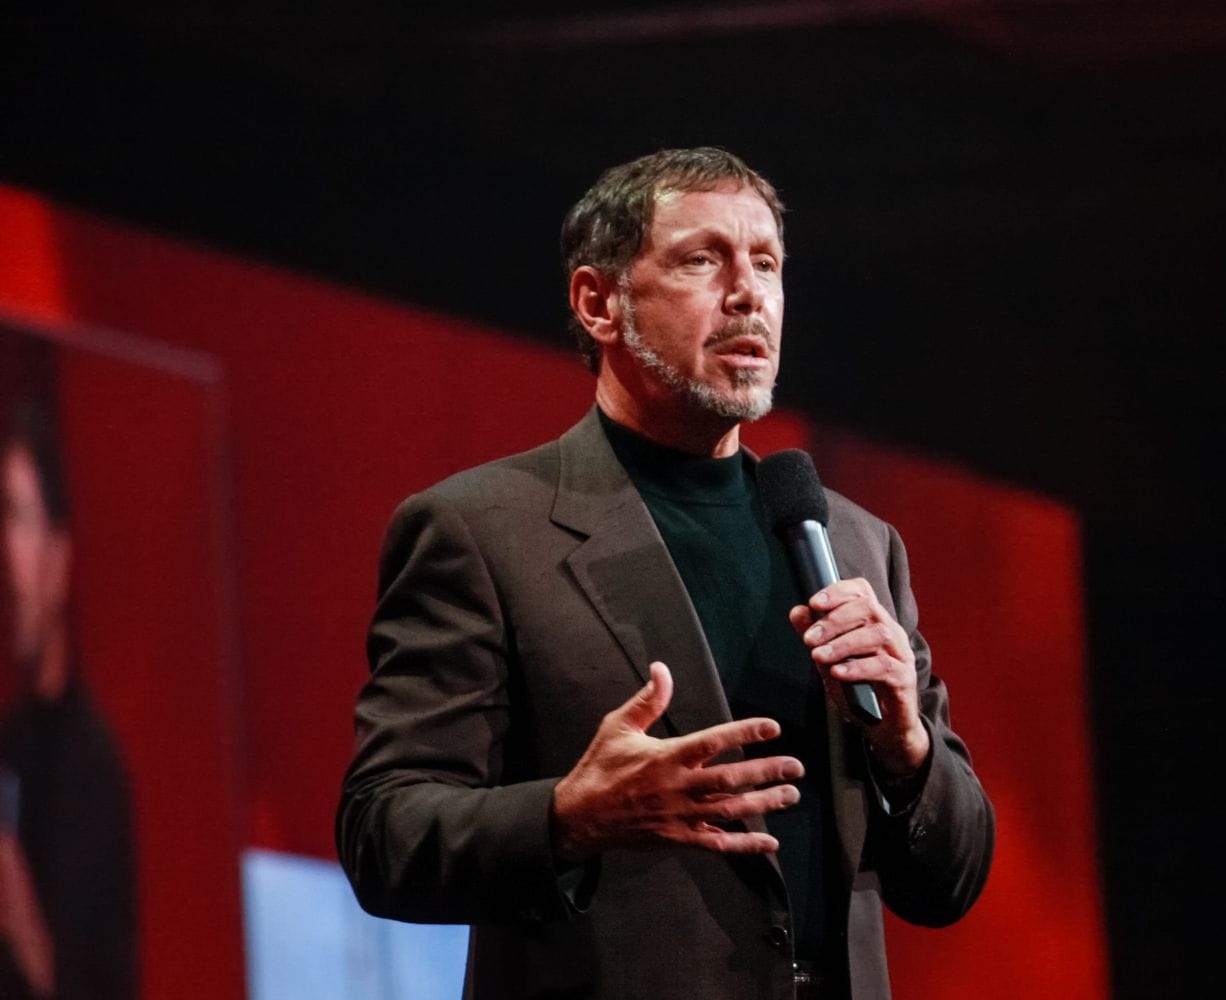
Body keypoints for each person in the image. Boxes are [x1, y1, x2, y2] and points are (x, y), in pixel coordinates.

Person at [337, 148, 994, 1000]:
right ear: (598, 303)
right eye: (702, 259)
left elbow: (952, 880)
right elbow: (384, 835)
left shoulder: (857, 544)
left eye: (767, 263)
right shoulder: (481, 530)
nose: (748, 293)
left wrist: (906, 748)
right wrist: (571, 816)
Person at [0, 402, 137, 1000]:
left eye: (17, 516)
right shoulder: (10, 740)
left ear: (60, 555)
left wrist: (15, 904)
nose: (6, 552)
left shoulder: (90, 766)